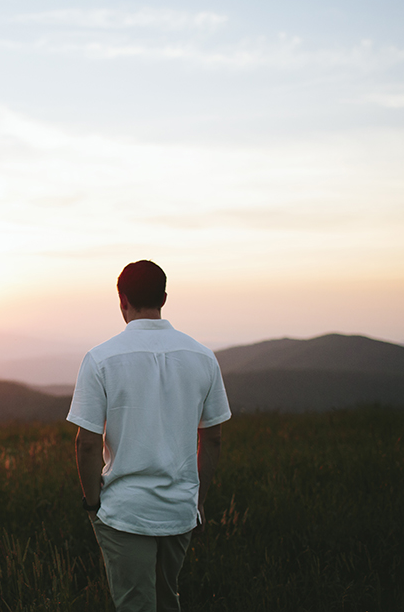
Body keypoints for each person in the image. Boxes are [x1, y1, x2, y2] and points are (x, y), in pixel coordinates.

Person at [66, 260, 232, 612]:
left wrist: (93, 503)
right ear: (164, 298)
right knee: (166, 599)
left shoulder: (100, 359)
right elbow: (213, 438)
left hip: (124, 511)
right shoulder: (203, 357)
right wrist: (198, 500)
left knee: (135, 605)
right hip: (179, 510)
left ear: (122, 300)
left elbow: (87, 443)